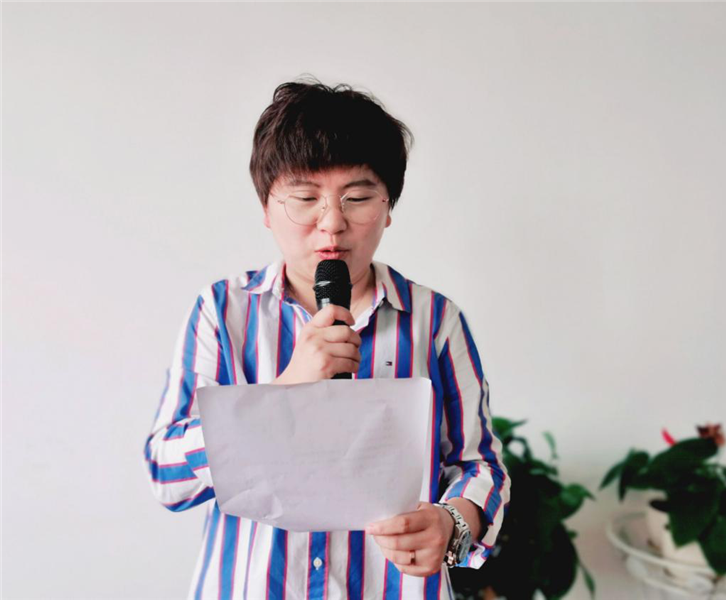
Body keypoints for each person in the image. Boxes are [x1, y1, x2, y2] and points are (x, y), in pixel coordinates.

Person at [143, 79, 511, 600]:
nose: (332, 223)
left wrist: (451, 523)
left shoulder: (434, 319)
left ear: (388, 207)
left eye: (357, 198)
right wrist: (282, 393)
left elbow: (480, 466)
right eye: (304, 198)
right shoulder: (223, 312)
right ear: (266, 208)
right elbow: (166, 476)